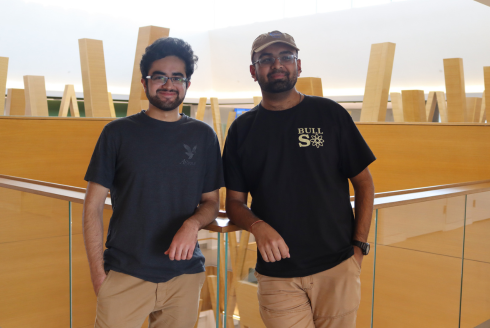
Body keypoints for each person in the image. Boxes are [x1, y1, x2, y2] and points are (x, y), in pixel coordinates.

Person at [223, 30, 376, 328]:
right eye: (266, 59)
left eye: (286, 57)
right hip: (277, 274)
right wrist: (257, 226)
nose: (277, 64)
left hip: (338, 266)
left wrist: (358, 248)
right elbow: (235, 202)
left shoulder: (330, 114)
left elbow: (365, 183)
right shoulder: (241, 130)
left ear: (299, 65)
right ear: (254, 71)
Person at [82, 37, 224, 328]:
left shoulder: (203, 136)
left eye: (177, 77)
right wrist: (98, 274)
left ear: (187, 84)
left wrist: (192, 224)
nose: (168, 84)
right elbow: (92, 206)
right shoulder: (117, 133)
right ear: (144, 82)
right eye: (159, 76)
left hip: (184, 277)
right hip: (125, 274)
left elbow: (211, 202)